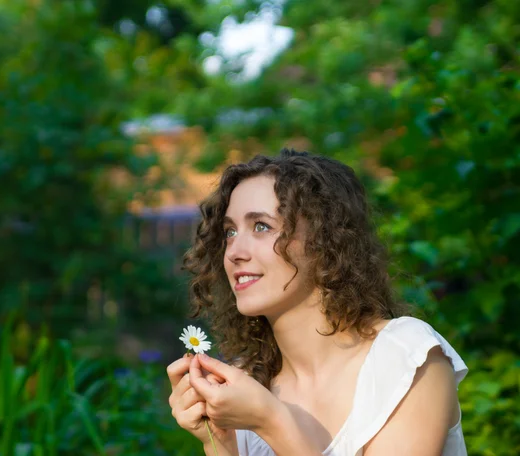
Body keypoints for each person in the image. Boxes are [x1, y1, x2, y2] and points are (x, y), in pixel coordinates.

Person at [167, 149, 468, 456]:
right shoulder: (245, 388)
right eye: (230, 232)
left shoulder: (406, 358)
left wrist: (271, 421)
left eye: (261, 226)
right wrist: (219, 442)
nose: (234, 252)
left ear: (324, 239)